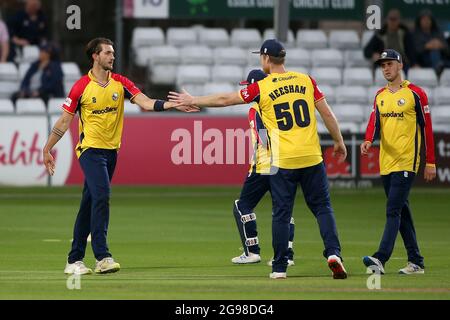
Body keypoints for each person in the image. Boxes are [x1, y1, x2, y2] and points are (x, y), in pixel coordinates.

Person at [169, 39, 348, 280]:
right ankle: (334, 254)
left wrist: (193, 100)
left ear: (265, 58)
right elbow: (326, 112)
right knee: (322, 207)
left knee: (281, 214)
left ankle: (280, 266)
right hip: (312, 156)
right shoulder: (306, 80)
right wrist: (338, 141)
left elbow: (225, 100)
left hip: (283, 160)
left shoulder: (262, 87)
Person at [42, 38, 198, 276]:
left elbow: (145, 102)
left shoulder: (121, 83)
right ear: (95, 56)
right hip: (90, 151)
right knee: (102, 195)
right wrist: (47, 148)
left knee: (89, 204)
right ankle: (102, 257)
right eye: (107, 53)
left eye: (113, 53)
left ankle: (74, 260)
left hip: (111, 152)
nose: (112, 56)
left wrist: (172, 105)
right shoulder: (81, 86)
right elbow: (65, 121)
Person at [361, 49, 436, 275]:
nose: (386, 68)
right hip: (387, 162)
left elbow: (427, 129)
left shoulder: (416, 94)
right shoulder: (380, 95)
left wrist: (430, 161)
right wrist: (367, 140)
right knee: (401, 211)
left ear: (400, 65)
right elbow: (374, 121)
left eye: (390, 64)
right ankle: (416, 262)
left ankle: (380, 258)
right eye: (383, 65)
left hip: (406, 161)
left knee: (393, 209)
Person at [231, 69, 295, 266]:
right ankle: (287, 255)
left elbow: (261, 135)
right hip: (285, 163)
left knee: (242, 206)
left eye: (249, 86)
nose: (247, 91)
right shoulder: (278, 105)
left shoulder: (256, 109)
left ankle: (252, 252)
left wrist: (268, 148)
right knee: (282, 209)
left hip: (264, 166)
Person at [414, 9, 450, 75]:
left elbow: (447, 50)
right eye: (424, 19)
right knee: (434, 51)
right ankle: (438, 66)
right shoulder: (415, 34)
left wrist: (441, 45)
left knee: (436, 51)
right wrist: (426, 46)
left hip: (441, 58)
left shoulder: (438, 32)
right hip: (423, 60)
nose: (426, 21)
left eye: (428, 19)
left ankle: (439, 66)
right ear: (419, 21)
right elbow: (414, 51)